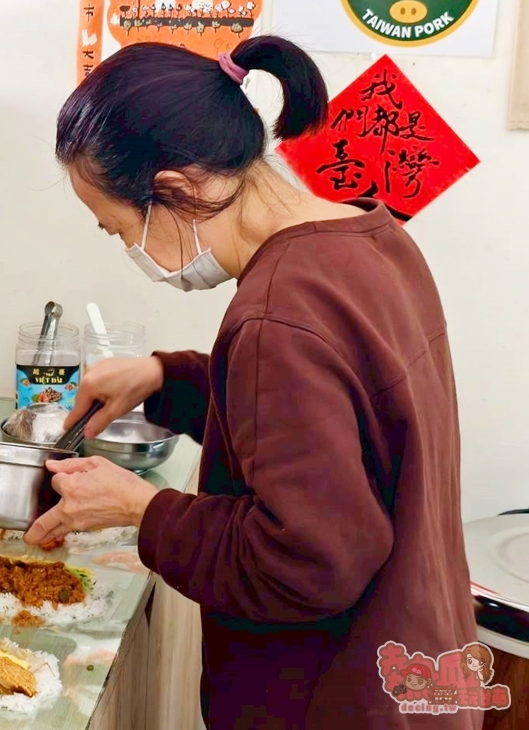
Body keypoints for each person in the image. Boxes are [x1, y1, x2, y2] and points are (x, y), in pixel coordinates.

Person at [23, 36, 479, 729]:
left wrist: (146, 510)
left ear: (176, 189)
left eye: (120, 229)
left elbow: (308, 561)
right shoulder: (369, 235)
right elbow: (336, 427)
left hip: (336, 700)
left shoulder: (276, 314)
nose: (130, 250)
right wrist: (167, 378)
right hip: (418, 666)